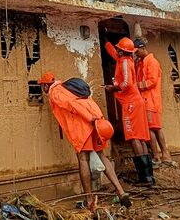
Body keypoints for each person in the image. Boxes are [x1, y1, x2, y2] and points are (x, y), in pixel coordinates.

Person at [38, 71, 132, 212]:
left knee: (83, 159)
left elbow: (72, 105)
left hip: (84, 126)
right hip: (97, 122)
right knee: (101, 156)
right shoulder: (69, 87)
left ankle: (89, 201)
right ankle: (121, 192)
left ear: (46, 86)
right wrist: (96, 119)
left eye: (42, 86)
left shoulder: (55, 92)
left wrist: (89, 118)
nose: (43, 90)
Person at [104, 37, 154, 185]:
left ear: (122, 51)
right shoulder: (123, 59)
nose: (117, 51)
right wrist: (106, 40)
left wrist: (113, 88)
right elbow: (113, 53)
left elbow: (127, 83)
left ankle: (144, 177)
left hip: (131, 103)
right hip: (134, 102)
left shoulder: (125, 62)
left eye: (118, 49)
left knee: (134, 137)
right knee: (141, 137)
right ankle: (148, 176)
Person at [133, 38, 173, 166]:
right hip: (145, 100)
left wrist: (136, 86)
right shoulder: (141, 62)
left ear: (143, 48)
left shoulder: (152, 62)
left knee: (153, 128)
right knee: (153, 128)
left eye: (137, 51)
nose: (136, 53)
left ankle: (160, 155)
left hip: (150, 100)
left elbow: (152, 81)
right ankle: (161, 155)